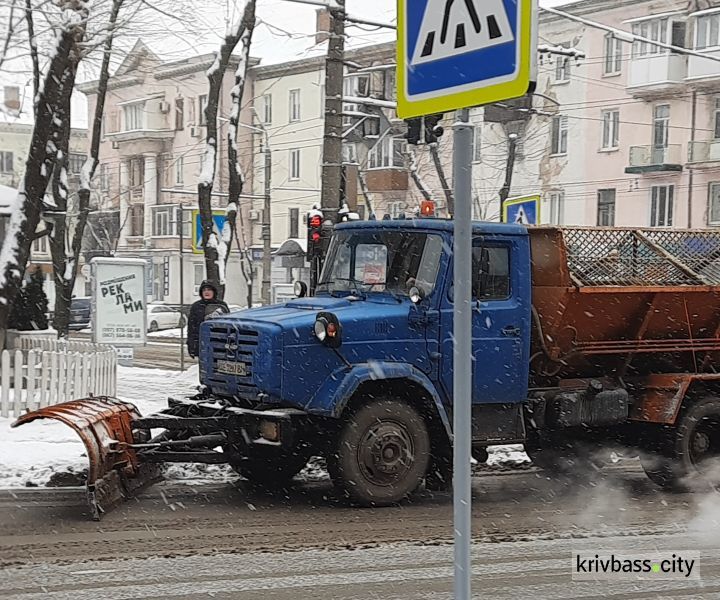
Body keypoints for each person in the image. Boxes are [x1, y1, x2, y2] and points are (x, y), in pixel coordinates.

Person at [187, 280, 229, 358]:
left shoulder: (221, 305)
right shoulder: (196, 306)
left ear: (214, 291)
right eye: (204, 290)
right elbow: (191, 328)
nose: (206, 292)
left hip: (220, 342)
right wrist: (191, 345)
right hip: (202, 342)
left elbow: (228, 325)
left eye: (209, 289)